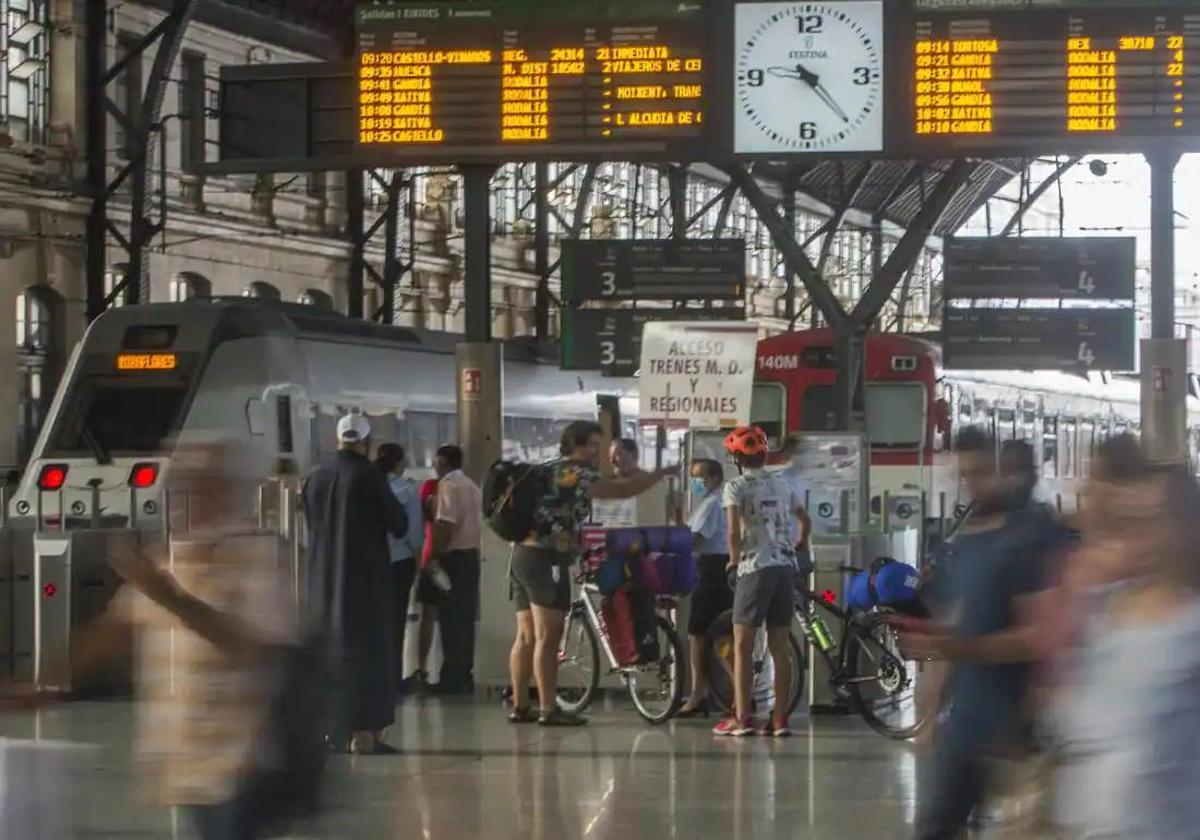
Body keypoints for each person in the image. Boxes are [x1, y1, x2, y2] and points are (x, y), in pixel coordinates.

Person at [902, 428, 1070, 840]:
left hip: (1019, 727)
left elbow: (1039, 636)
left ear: (1004, 472)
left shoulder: (1031, 538)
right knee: (934, 827)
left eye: (980, 473)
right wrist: (930, 715)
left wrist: (955, 647)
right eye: (963, 475)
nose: (970, 485)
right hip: (967, 723)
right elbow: (953, 626)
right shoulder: (967, 540)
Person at [1048, 467, 1200, 839]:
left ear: (1188, 528)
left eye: (1153, 520)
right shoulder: (1102, 613)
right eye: (1130, 520)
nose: (1138, 535)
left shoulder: (1192, 631)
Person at [508, 420, 675, 726]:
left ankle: (521, 705)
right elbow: (622, 490)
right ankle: (548, 708)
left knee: (526, 635)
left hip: (520, 556)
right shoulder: (574, 473)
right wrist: (661, 474)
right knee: (549, 635)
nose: (599, 454)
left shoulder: (545, 468)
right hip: (546, 560)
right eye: (595, 447)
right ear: (580, 446)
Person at [302, 413, 408, 755]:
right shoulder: (370, 477)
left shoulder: (315, 478)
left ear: (337, 440)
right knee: (369, 654)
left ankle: (331, 730)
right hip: (365, 583)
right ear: (365, 443)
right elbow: (399, 523)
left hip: (322, 581)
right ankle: (364, 734)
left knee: (328, 655)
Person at [714, 425, 811, 737]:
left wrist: (732, 560)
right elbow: (804, 521)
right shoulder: (782, 484)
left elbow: (732, 532)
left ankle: (742, 717)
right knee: (779, 647)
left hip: (755, 568)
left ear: (736, 457)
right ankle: (779, 719)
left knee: (742, 644)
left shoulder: (736, 487)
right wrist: (799, 544)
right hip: (785, 568)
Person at [424, 444, 483, 695]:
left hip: (453, 559)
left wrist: (433, 556)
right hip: (471, 558)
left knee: (450, 620)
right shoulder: (472, 486)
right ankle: (464, 674)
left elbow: (445, 526)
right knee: (465, 620)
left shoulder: (448, 486)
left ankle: (450, 678)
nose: (435, 466)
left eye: (437, 462)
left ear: (445, 462)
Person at [678, 458, 731, 718]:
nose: (695, 482)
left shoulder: (712, 504)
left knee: (697, 635)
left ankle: (698, 694)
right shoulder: (716, 501)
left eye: (698, 477)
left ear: (714, 478)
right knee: (721, 635)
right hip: (721, 570)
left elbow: (695, 538)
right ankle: (739, 692)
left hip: (711, 571)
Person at [375, 443, 425, 691]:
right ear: (399, 462)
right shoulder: (407, 490)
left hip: (372, 564)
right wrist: (419, 565)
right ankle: (393, 680)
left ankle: (374, 680)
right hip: (399, 564)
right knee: (396, 624)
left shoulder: (369, 488)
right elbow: (414, 533)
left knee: (374, 623)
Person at [414, 476, 443, 691]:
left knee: (433, 616)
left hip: (438, 555)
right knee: (429, 615)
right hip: (432, 554)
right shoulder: (430, 486)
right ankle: (422, 667)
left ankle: (429, 668)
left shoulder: (437, 487)